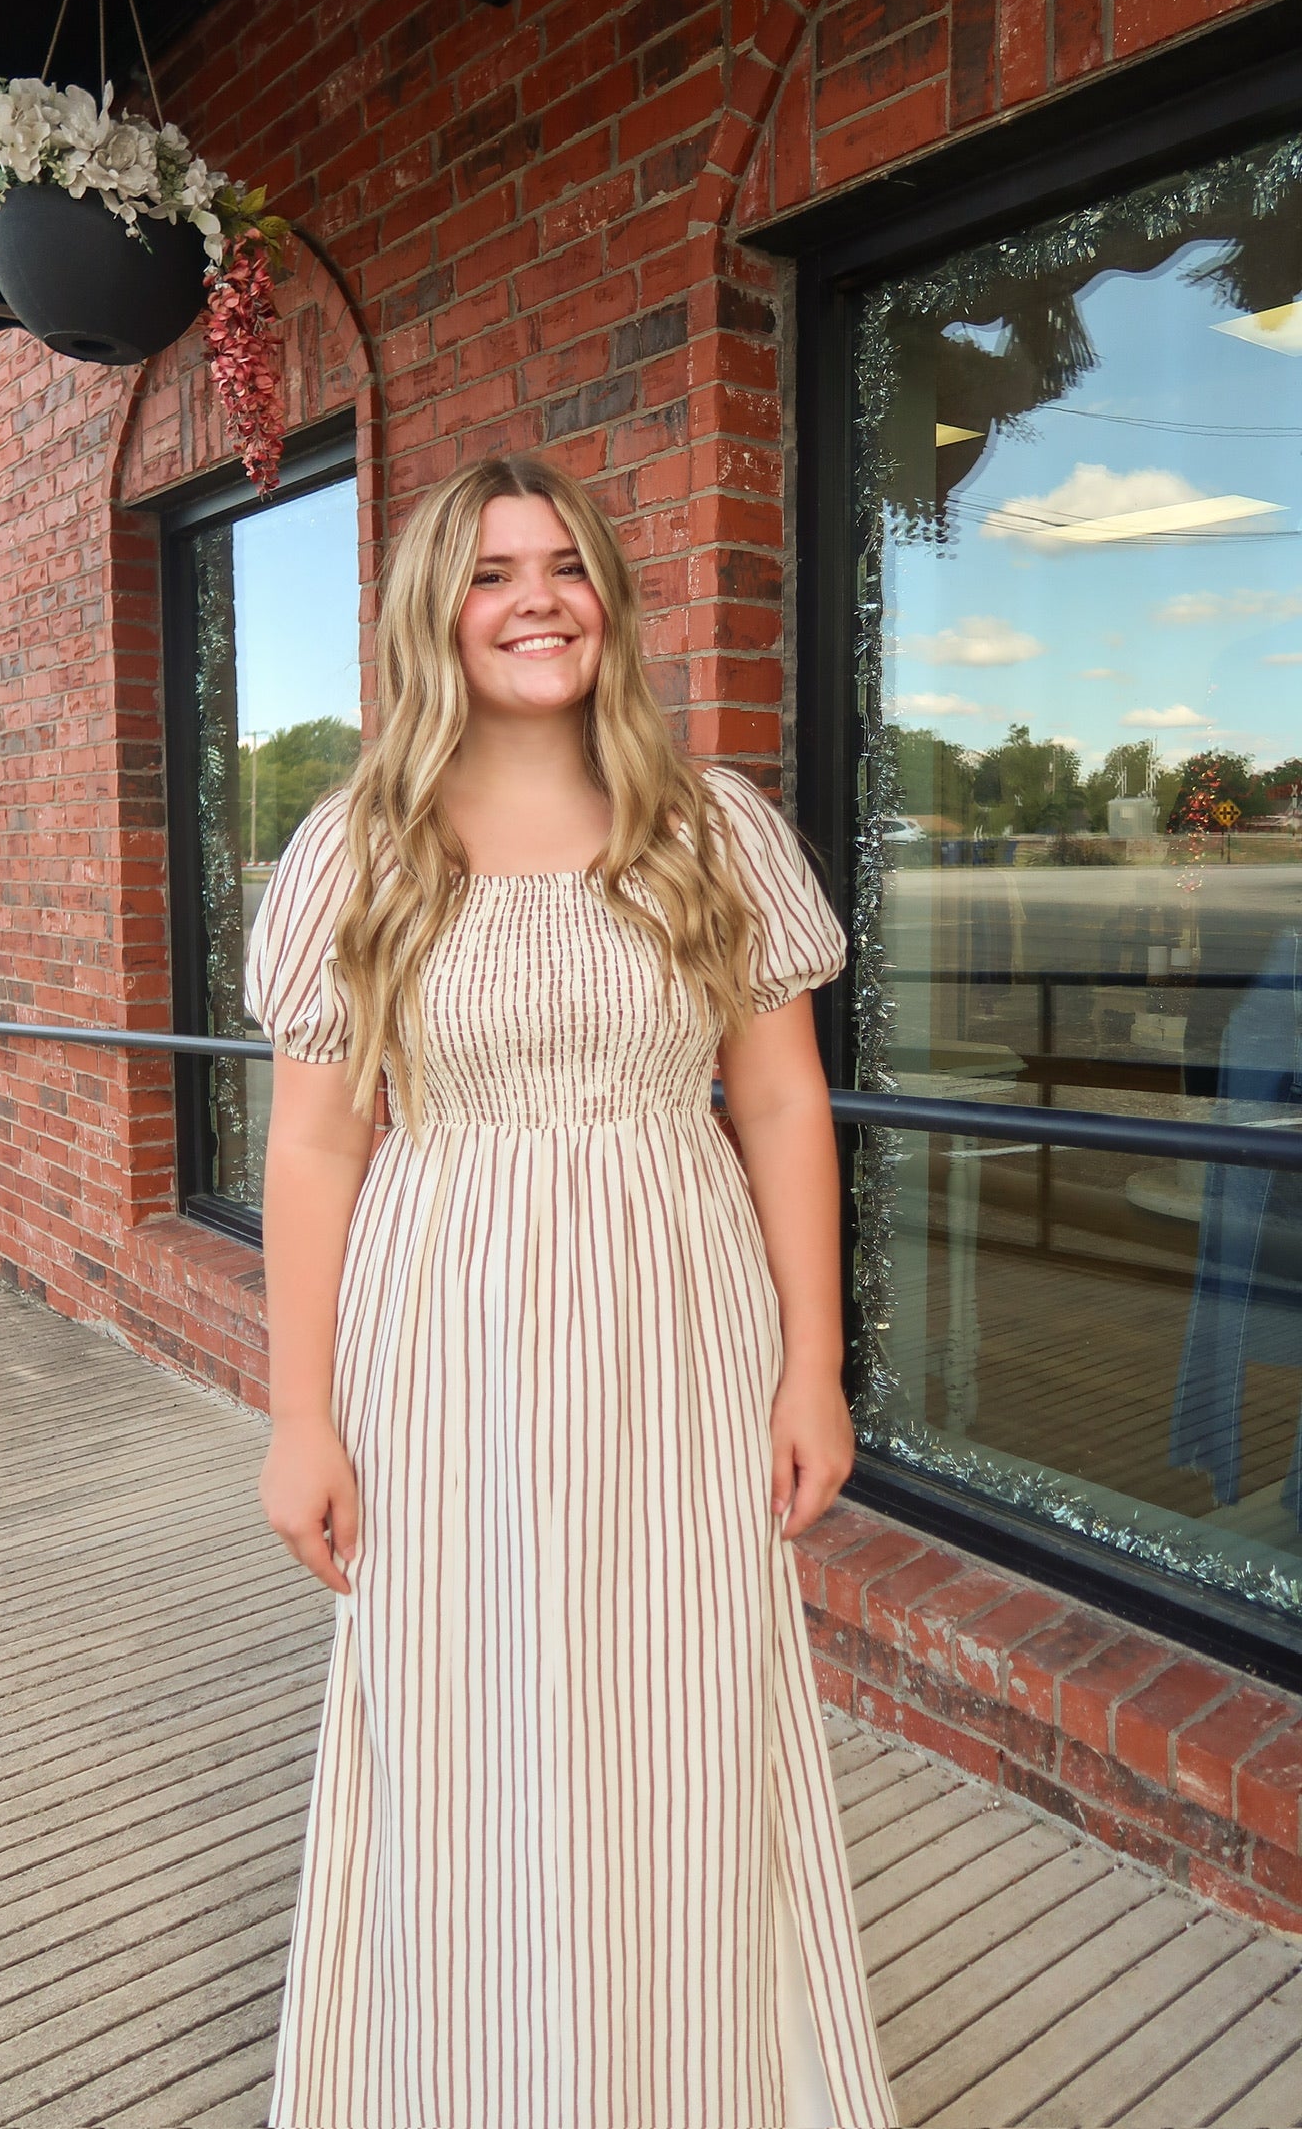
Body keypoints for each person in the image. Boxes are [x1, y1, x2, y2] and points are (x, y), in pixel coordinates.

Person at [245, 453, 897, 2129]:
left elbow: (780, 1106)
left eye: (562, 566)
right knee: (458, 1711)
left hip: (677, 1324)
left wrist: (813, 1367)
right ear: (432, 616)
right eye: (489, 573)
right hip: (441, 1332)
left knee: (681, 1709)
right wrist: (300, 1418)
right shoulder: (358, 848)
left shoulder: (711, 828)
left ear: (606, 593)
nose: (534, 601)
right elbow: (315, 1143)